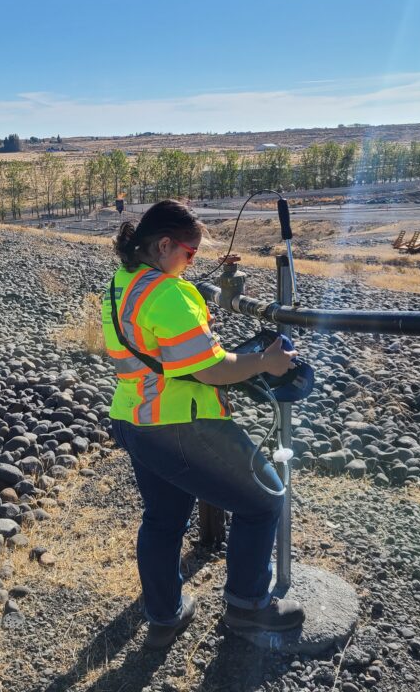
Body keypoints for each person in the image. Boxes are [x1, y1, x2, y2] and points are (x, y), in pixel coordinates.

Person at [101, 199, 306, 650]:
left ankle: (165, 615)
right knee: (265, 499)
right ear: (164, 245)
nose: (192, 264)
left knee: (162, 519)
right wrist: (266, 362)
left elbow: (165, 356)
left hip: (135, 419)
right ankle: (249, 608)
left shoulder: (121, 285)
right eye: (190, 254)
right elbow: (210, 369)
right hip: (181, 424)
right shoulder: (167, 293)